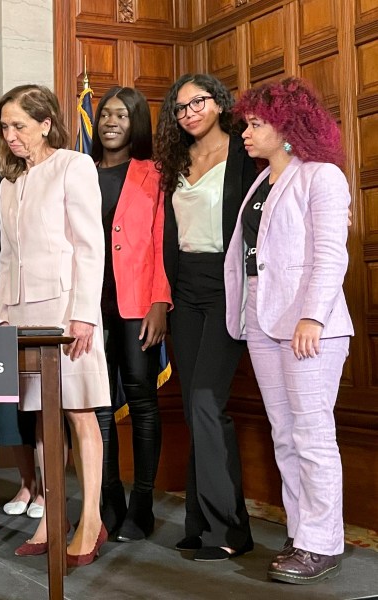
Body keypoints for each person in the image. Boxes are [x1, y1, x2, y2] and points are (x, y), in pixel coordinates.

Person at [226, 78, 351, 584]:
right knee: (285, 434)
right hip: (262, 319)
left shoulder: (321, 177)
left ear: (289, 125)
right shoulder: (261, 183)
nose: (246, 134)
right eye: (246, 125)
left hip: (308, 326)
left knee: (313, 435)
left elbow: (330, 254)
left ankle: (323, 543)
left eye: (256, 124)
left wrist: (313, 315)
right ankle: (303, 534)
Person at [0, 84, 110, 566]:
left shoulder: (74, 165)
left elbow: (89, 244)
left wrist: (84, 313)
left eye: (18, 124)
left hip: (66, 312)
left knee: (79, 412)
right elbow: (6, 257)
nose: (11, 135)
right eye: (4, 127)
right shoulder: (8, 182)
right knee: (43, 420)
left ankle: (93, 519)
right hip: (22, 315)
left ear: (45, 123)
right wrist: (1, 316)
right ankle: (52, 515)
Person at [154, 73, 258, 560]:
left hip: (227, 284)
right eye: (179, 108)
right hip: (185, 289)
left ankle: (229, 531)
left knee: (205, 401)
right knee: (198, 412)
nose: (188, 112)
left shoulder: (245, 153)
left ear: (218, 103)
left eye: (196, 102)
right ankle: (203, 524)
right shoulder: (175, 161)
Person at [90, 86, 171, 541]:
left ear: (135, 122)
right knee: (99, 403)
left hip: (138, 303)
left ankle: (142, 502)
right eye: (105, 114)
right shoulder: (81, 170)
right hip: (89, 303)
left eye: (122, 114)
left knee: (140, 397)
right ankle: (109, 498)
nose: (111, 121)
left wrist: (160, 302)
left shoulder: (154, 173)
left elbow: (163, 241)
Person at [0, 172, 41, 519]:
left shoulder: (55, 174)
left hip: (44, 297)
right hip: (4, 294)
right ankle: (26, 482)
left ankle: (47, 491)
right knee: (10, 399)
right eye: (6, 128)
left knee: (42, 400)